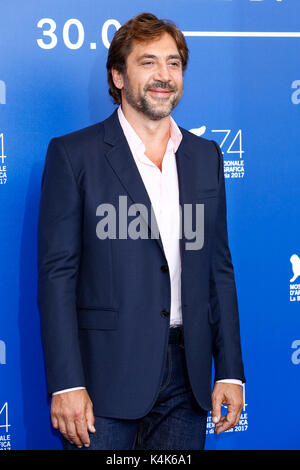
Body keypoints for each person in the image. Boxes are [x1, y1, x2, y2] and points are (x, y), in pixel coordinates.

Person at [37, 12, 245, 451]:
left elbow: (218, 271)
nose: (164, 76)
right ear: (118, 75)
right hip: (102, 380)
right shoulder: (74, 155)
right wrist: (66, 383)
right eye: (148, 62)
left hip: (187, 378)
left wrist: (228, 370)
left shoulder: (205, 156)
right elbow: (57, 277)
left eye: (173, 63)